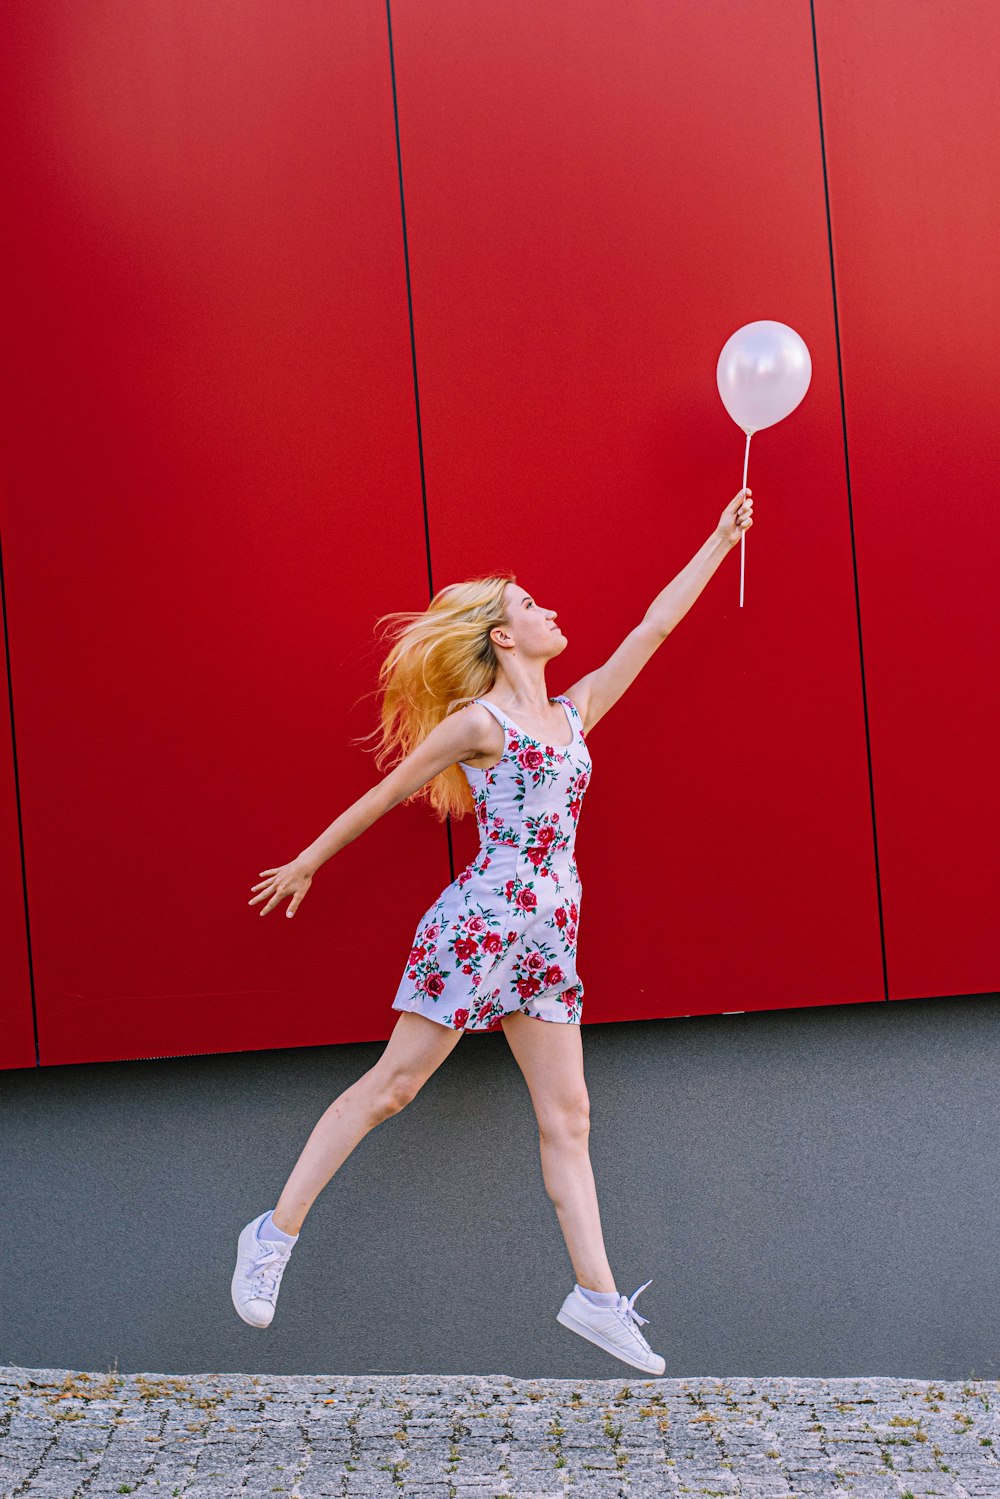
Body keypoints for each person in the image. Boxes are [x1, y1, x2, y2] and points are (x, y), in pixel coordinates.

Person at [231, 487, 754, 1373]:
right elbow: (386, 792)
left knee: (569, 1114)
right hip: (481, 926)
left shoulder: (576, 711)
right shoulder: (482, 723)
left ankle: (594, 1297)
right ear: (504, 638)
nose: (550, 610)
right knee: (393, 1087)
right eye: (529, 605)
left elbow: (653, 631)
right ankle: (271, 1235)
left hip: (550, 937)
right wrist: (309, 860)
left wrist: (717, 538)